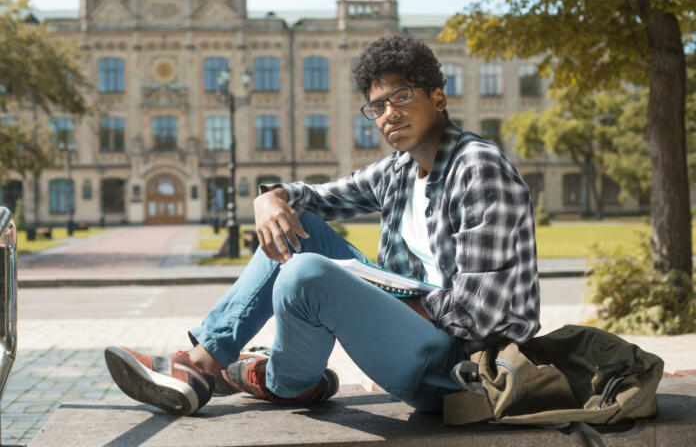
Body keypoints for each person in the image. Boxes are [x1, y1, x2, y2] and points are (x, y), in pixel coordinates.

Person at [104, 35, 540, 416]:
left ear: (438, 97)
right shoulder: (399, 171)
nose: (389, 114)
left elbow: (484, 318)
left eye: (403, 97)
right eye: (378, 106)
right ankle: (201, 365)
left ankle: (284, 381)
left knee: (306, 273)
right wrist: (269, 198)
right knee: (301, 226)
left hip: (456, 367)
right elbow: (315, 197)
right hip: (409, 336)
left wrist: (387, 294)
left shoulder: (477, 167)